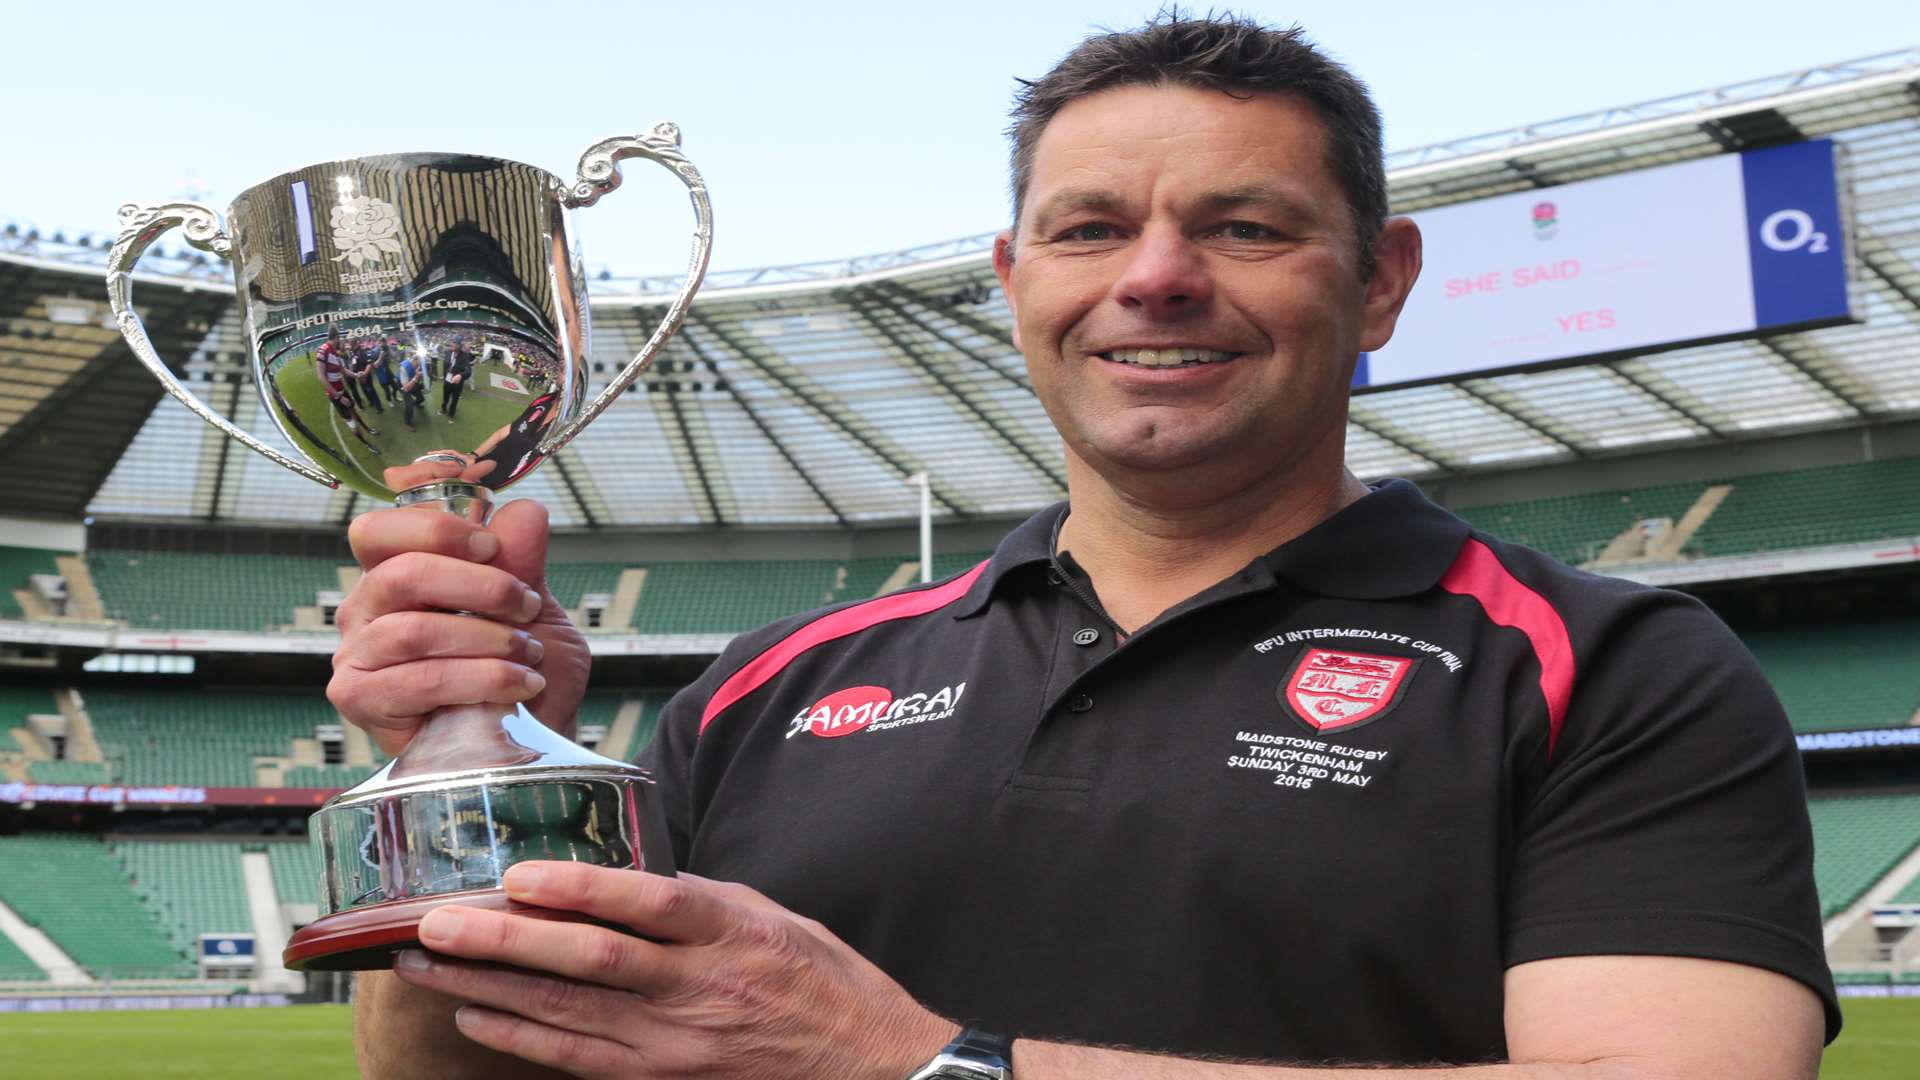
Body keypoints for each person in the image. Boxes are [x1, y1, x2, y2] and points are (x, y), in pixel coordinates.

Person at [327, 13, 1835, 1080]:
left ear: (1380, 282)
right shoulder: (764, 688)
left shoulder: (1616, 672)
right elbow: (475, 1069)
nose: (1158, 280)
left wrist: (923, 1069)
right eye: (1091, 228)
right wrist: (469, 794)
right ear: (1013, 278)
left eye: (1245, 228)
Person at [442, 336, 474, 419]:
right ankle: (443, 409)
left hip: (457, 384)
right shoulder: (448, 352)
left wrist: (460, 375)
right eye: (452, 342)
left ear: (460, 345)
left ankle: (451, 415)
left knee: (454, 400)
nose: (452, 344)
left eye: (455, 343)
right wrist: (445, 376)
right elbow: (445, 365)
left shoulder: (465, 356)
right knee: (445, 397)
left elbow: (468, 371)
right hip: (447, 381)